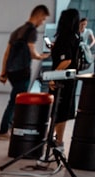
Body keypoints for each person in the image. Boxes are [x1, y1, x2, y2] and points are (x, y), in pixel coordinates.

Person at [0, 5, 51, 139]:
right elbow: (31, 51)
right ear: (38, 15)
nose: (42, 22)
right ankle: (4, 131)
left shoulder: (17, 31)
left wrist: (3, 72)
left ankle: (8, 128)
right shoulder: (31, 31)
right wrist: (41, 56)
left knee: (15, 99)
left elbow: (6, 53)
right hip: (22, 71)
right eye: (43, 19)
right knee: (16, 102)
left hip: (11, 71)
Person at [49, 9, 82, 146]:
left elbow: (66, 60)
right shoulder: (75, 36)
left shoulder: (65, 36)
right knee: (63, 109)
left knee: (59, 110)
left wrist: (52, 76)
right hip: (70, 79)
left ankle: (58, 141)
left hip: (62, 79)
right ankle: (56, 138)